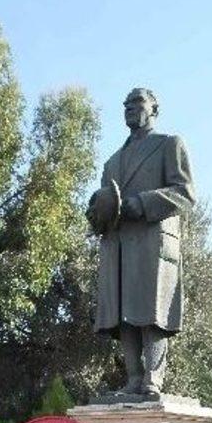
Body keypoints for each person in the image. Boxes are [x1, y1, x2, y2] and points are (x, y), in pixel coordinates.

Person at [87, 87, 195, 395]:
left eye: (137, 103)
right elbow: (104, 205)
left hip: (152, 238)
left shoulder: (169, 145)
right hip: (117, 243)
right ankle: (133, 378)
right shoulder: (111, 163)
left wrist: (141, 204)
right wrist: (96, 212)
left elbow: (184, 194)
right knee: (123, 313)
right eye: (126, 104)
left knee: (152, 312)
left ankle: (153, 379)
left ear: (154, 110)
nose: (130, 108)